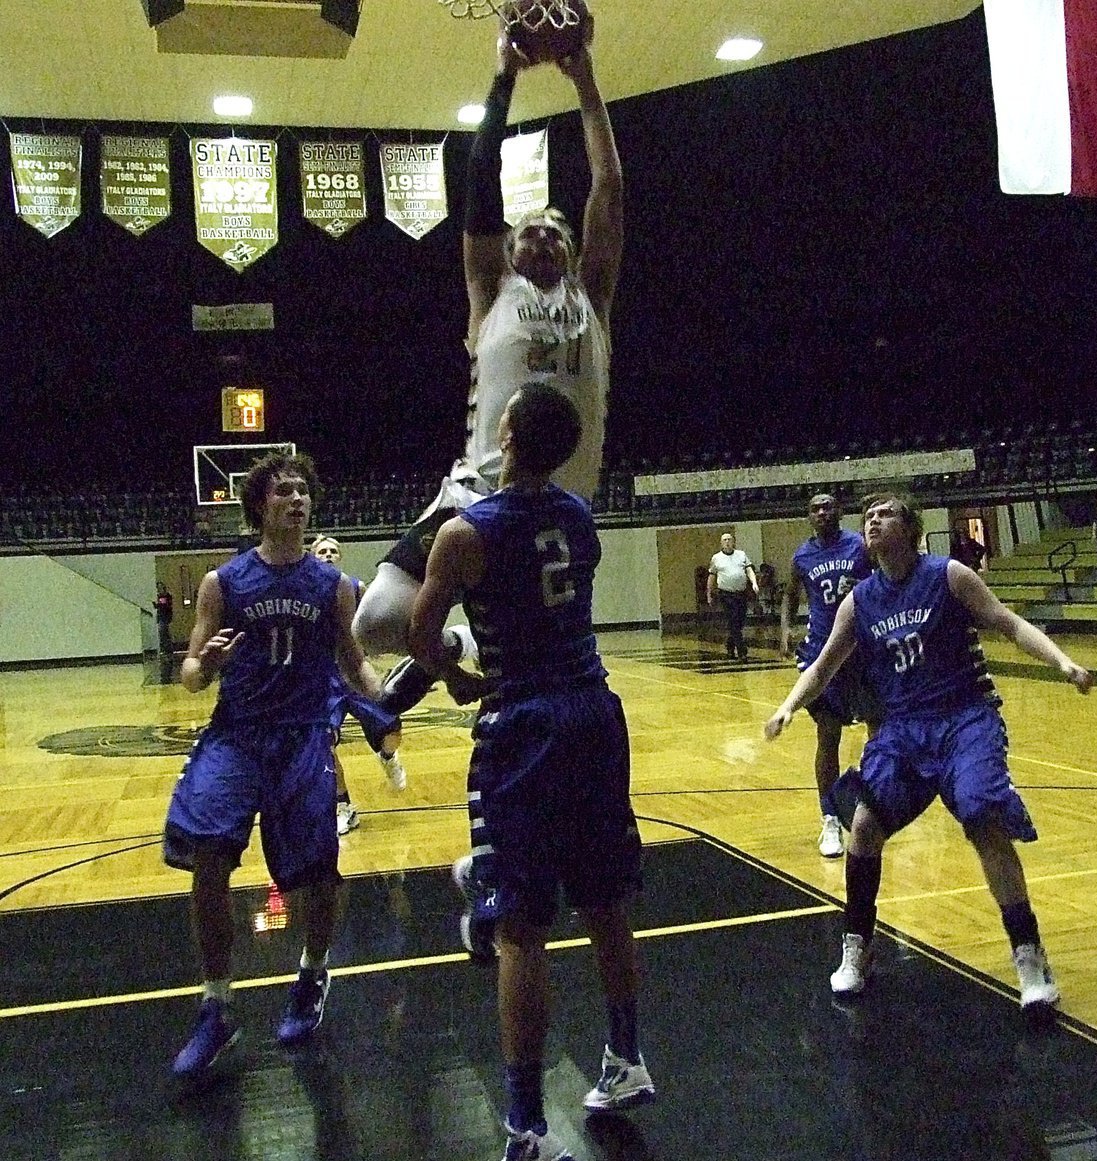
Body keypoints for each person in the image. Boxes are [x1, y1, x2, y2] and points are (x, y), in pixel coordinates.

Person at [408, 384, 653, 1161]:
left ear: (505, 434)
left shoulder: (463, 533)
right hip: (594, 708)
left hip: (527, 720)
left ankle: (524, 1124)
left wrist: (453, 675)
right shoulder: (580, 517)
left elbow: (419, 635)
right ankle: (626, 1058)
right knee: (607, 899)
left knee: (520, 928)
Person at [353, 24, 624, 725]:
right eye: (526, 229)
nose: (539, 235)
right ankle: (450, 642)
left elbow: (610, 185)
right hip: (479, 491)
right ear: (507, 249)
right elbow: (480, 184)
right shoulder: (492, 294)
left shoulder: (590, 300)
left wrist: (583, 79)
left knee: (547, 672)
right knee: (377, 620)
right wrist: (501, 80)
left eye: (554, 230)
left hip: (562, 507)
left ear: (571, 250)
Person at [764, 493, 1092, 1012]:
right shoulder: (860, 600)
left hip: (965, 719)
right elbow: (824, 665)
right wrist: (786, 708)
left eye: (885, 513)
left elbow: (1009, 623)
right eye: (868, 516)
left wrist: (1062, 662)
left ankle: (1029, 953)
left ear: (912, 529)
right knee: (865, 825)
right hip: (903, 730)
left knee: (984, 819)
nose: (873, 520)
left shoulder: (949, 576)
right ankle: (858, 946)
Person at [164, 452, 383, 1082]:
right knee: (207, 857)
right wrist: (205, 663)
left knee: (316, 874)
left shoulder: (332, 586)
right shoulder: (223, 583)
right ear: (259, 505)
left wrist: (381, 692)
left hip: (302, 739)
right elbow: (189, 676)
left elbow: (352, 660)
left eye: (303, 491)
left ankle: (313, 974)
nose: (297, 499)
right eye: (284, 490)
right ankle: (216, 1005)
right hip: (237, 736)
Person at [779, 493, 881, 857]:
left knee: (879, 732)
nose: (822, 512)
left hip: (863, 649)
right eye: (815, 508)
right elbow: (790, 595)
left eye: (828, 506)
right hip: (823, 652)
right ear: (808, 516)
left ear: (839, 511)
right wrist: (786, 628)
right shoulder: (802, 557)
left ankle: (870, 804)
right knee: (828, 735)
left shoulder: (860, 546)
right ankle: (830, 819)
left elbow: (883, 579)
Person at [310, 534, 407, 835]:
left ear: (339, 557)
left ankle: (387, 755)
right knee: (325, 745)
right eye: (322, 551)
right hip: (323, 678)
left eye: (332, 551)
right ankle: (345, 807)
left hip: (354, 674)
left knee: (391, 730)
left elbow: (367, 628)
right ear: (312, 556)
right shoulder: (304, 590)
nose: (327, 554)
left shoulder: (354, 587)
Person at [707, 531, 759, 661]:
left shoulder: (741, 555)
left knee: (739, 622)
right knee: (733, 621)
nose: (727, 542)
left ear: (733, 542)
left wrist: (754, 583)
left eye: (729, 539)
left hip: (741, 593)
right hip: (726, 594)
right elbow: (711, 577)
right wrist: (709, 593)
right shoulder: (716, 558)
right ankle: (742, 651)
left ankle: (730, 644)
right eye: (724, 540)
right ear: (721, 543)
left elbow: (749, 570)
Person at [154, 582, 174, 657]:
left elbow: (165, 605)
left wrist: (158, 605)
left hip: (165, 616)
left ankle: (167, 649)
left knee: (164, 632)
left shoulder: (166, 596)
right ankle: (166, 649)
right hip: (161, 616)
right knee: (164, 633)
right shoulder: (159, 596)